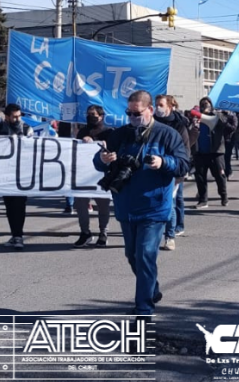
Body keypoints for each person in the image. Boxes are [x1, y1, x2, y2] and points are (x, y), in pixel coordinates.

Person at [93, 91, 190, 317]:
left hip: (154, 206)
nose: (132, 118)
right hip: (126, 205)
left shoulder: (167, 134)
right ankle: (151, 288)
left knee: (146, 254)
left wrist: (164, 162)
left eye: (137, 113)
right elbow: (99, 161)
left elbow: (184, 164)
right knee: (132, 256)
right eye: (129, 113)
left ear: (150, 110)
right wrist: (103, 159)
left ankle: (143, 309)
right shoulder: (120, 134)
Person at [0, 104, 34, 250]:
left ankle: (18, 235)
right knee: (9, 206)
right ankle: (15, 234)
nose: (17, 119)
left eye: (19, 116)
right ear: (7, 117)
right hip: (5, 173)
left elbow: (33, 148)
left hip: (22, 173)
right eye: (14, 117)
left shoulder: (27, 129)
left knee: (19, 205)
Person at [74, 105, 114, 248]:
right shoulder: (82, 132)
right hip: (84, 174)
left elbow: (113, 151)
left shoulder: (109, 132)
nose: (90, 117)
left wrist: (103, 144)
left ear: (101, 116)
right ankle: (85, 232)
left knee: (103, 205)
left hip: (101, 174)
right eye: (88, 114)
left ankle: (103, 232)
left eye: (93, 114)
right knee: (80, 204)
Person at [154, 95, 190, 251]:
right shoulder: (151, 122)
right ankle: (155, 234)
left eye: (161, 105)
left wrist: (180, 173)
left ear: (169, 106)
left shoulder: (179, 125)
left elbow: (185, 150)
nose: (158, 108)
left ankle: (170, 235)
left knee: (171, 202)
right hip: (154, 167)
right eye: (156, 104)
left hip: (173, 168)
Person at [188, 97, 236, 208]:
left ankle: (224, 197)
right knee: (200, 177)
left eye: (207, 103)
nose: (205, 106)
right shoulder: (196, 118)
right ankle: (203, 200)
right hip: (200, 153)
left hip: (216, 152)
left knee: (220, 176)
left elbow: (230, 128)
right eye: (202, 104)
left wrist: (218, 115)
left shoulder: (217, 116)